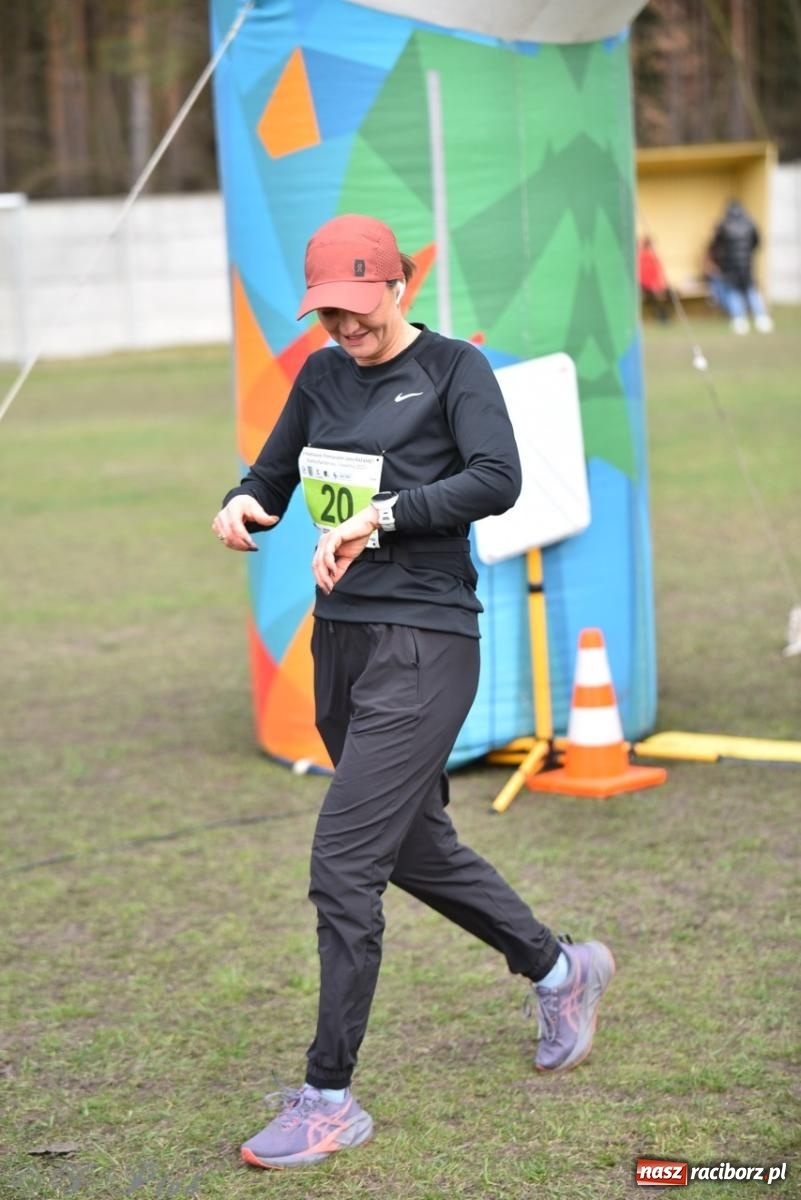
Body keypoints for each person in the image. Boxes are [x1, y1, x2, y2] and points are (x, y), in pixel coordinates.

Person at [212, 214, 615, 1171]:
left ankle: (328, 1097)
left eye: (358, 312)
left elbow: (497, 479)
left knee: (343, 863)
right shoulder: (318, 376)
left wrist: (384, 517)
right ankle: (561, 968)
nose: (345, 333)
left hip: (427, 643)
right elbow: (271, 472)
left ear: (399, 286)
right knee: (414, 847)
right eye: (328, 317)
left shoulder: (451, 372)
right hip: (340, 643)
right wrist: (239, 502)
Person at [707, 200, 774, 334]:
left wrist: (719, 261)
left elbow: (715, 246)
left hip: (729, 266)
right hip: (747, 265)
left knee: (733, 293)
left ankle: (740, 321)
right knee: (751, 290)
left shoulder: (724, 225)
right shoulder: (750, 223)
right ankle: (762, 319)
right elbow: (758, 242)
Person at [637, 236, 671, 322]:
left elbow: (659, 272)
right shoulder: (642, 256)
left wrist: (661, 285)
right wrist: (654, 285)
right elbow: (643, 275)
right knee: (655, 296)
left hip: (654, 285)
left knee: (669, 293)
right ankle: (661, 316)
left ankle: (663, 315)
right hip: (646, 285)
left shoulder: (654, 256)